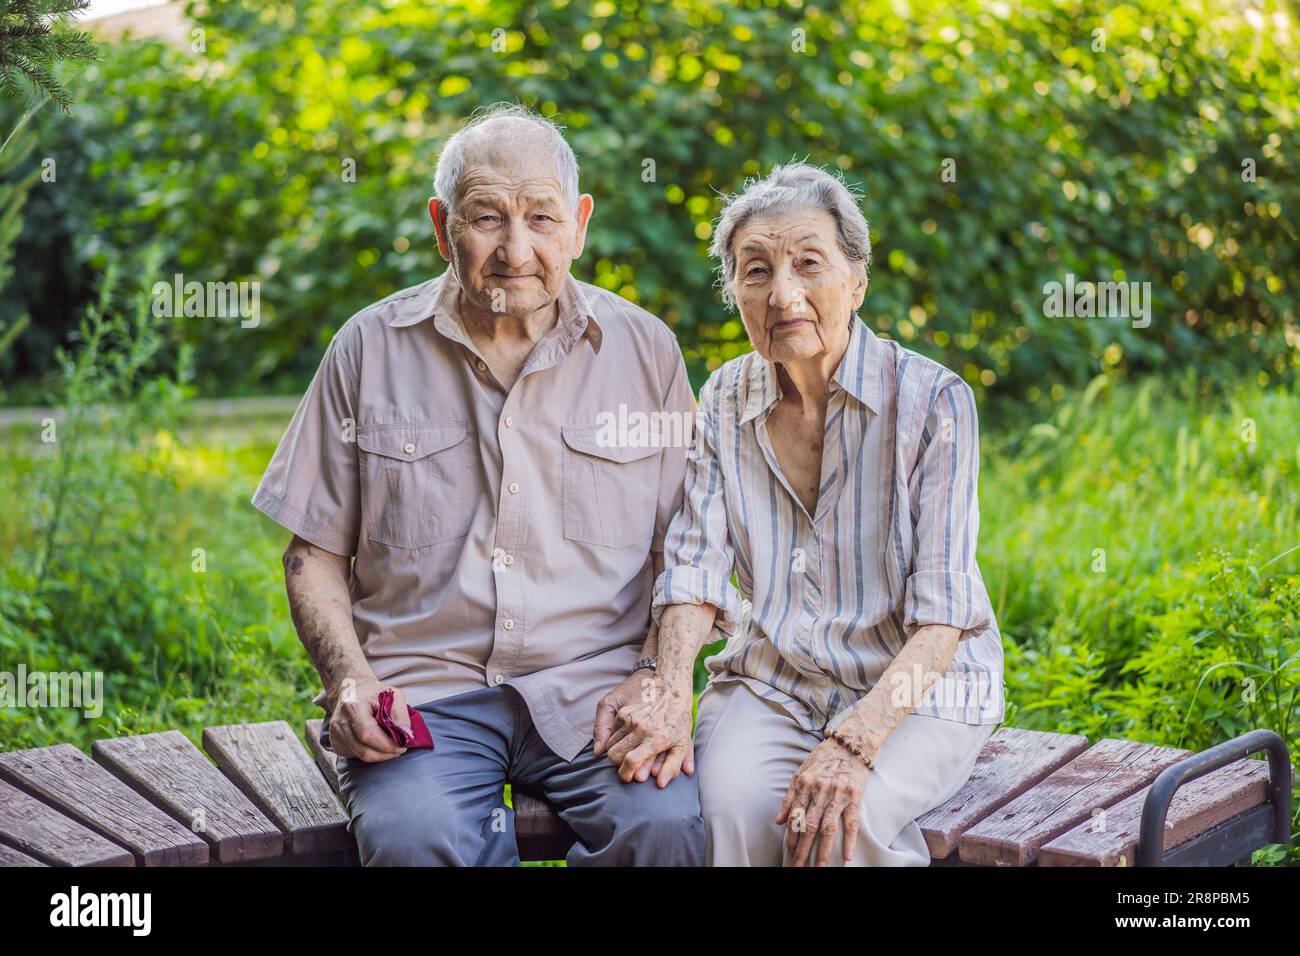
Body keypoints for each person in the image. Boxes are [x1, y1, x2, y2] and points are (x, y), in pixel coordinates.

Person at [251, 104, 704, 866]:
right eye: (486, 217)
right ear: (442, 226)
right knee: (412, 840)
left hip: (597, 694)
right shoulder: (367, 349)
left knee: (665, 830)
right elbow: (313, 556)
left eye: (541, 218)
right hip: (424, 697)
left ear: (580, 225)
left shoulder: (645, 352)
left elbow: (689, 550)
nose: (515, 249)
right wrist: (350, 681)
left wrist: (665, 677)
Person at [599, 162, 1005, 866]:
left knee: (840, 826)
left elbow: (943, 619)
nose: (783, 294)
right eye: (756, 272)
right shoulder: (725, 397)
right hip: (777, 680)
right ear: (736, 294)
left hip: (915, 690)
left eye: (808, 264)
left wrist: (856, 740)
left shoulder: (933, 403)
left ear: (857, 280)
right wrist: (668, 691)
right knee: (722, 815)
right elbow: (694, 569)